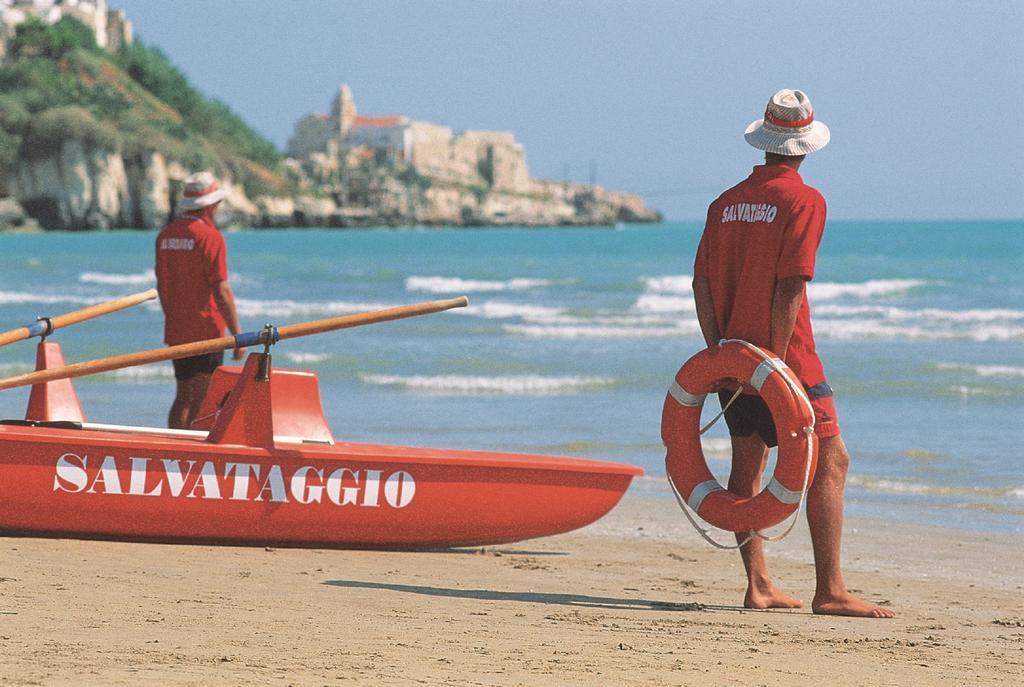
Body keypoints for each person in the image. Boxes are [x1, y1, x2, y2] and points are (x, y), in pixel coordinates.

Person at [691, 89, 895, 618]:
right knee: (833, 459)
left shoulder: (725, 203)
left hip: (734, 358)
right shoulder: (804, 200)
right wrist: (774, 365)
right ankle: (829, 590)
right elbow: (789, 287)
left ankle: (758, 585)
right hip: (791, 361)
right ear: (804, 145)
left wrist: (720, 355)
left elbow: (702, 284)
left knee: (749, 466)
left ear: (766, 142)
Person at [155, 171, 244, 430]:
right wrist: (238, 335)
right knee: (203, 398)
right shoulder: (210, 237)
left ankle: (174, 446)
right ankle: (194, 454)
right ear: (209, 205)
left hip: (176, 328)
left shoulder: (165, 236)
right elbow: (221, 289)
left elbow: (163, 285)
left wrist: (172, 315)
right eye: (217, 204)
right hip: (207, 329)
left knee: (182, 394)